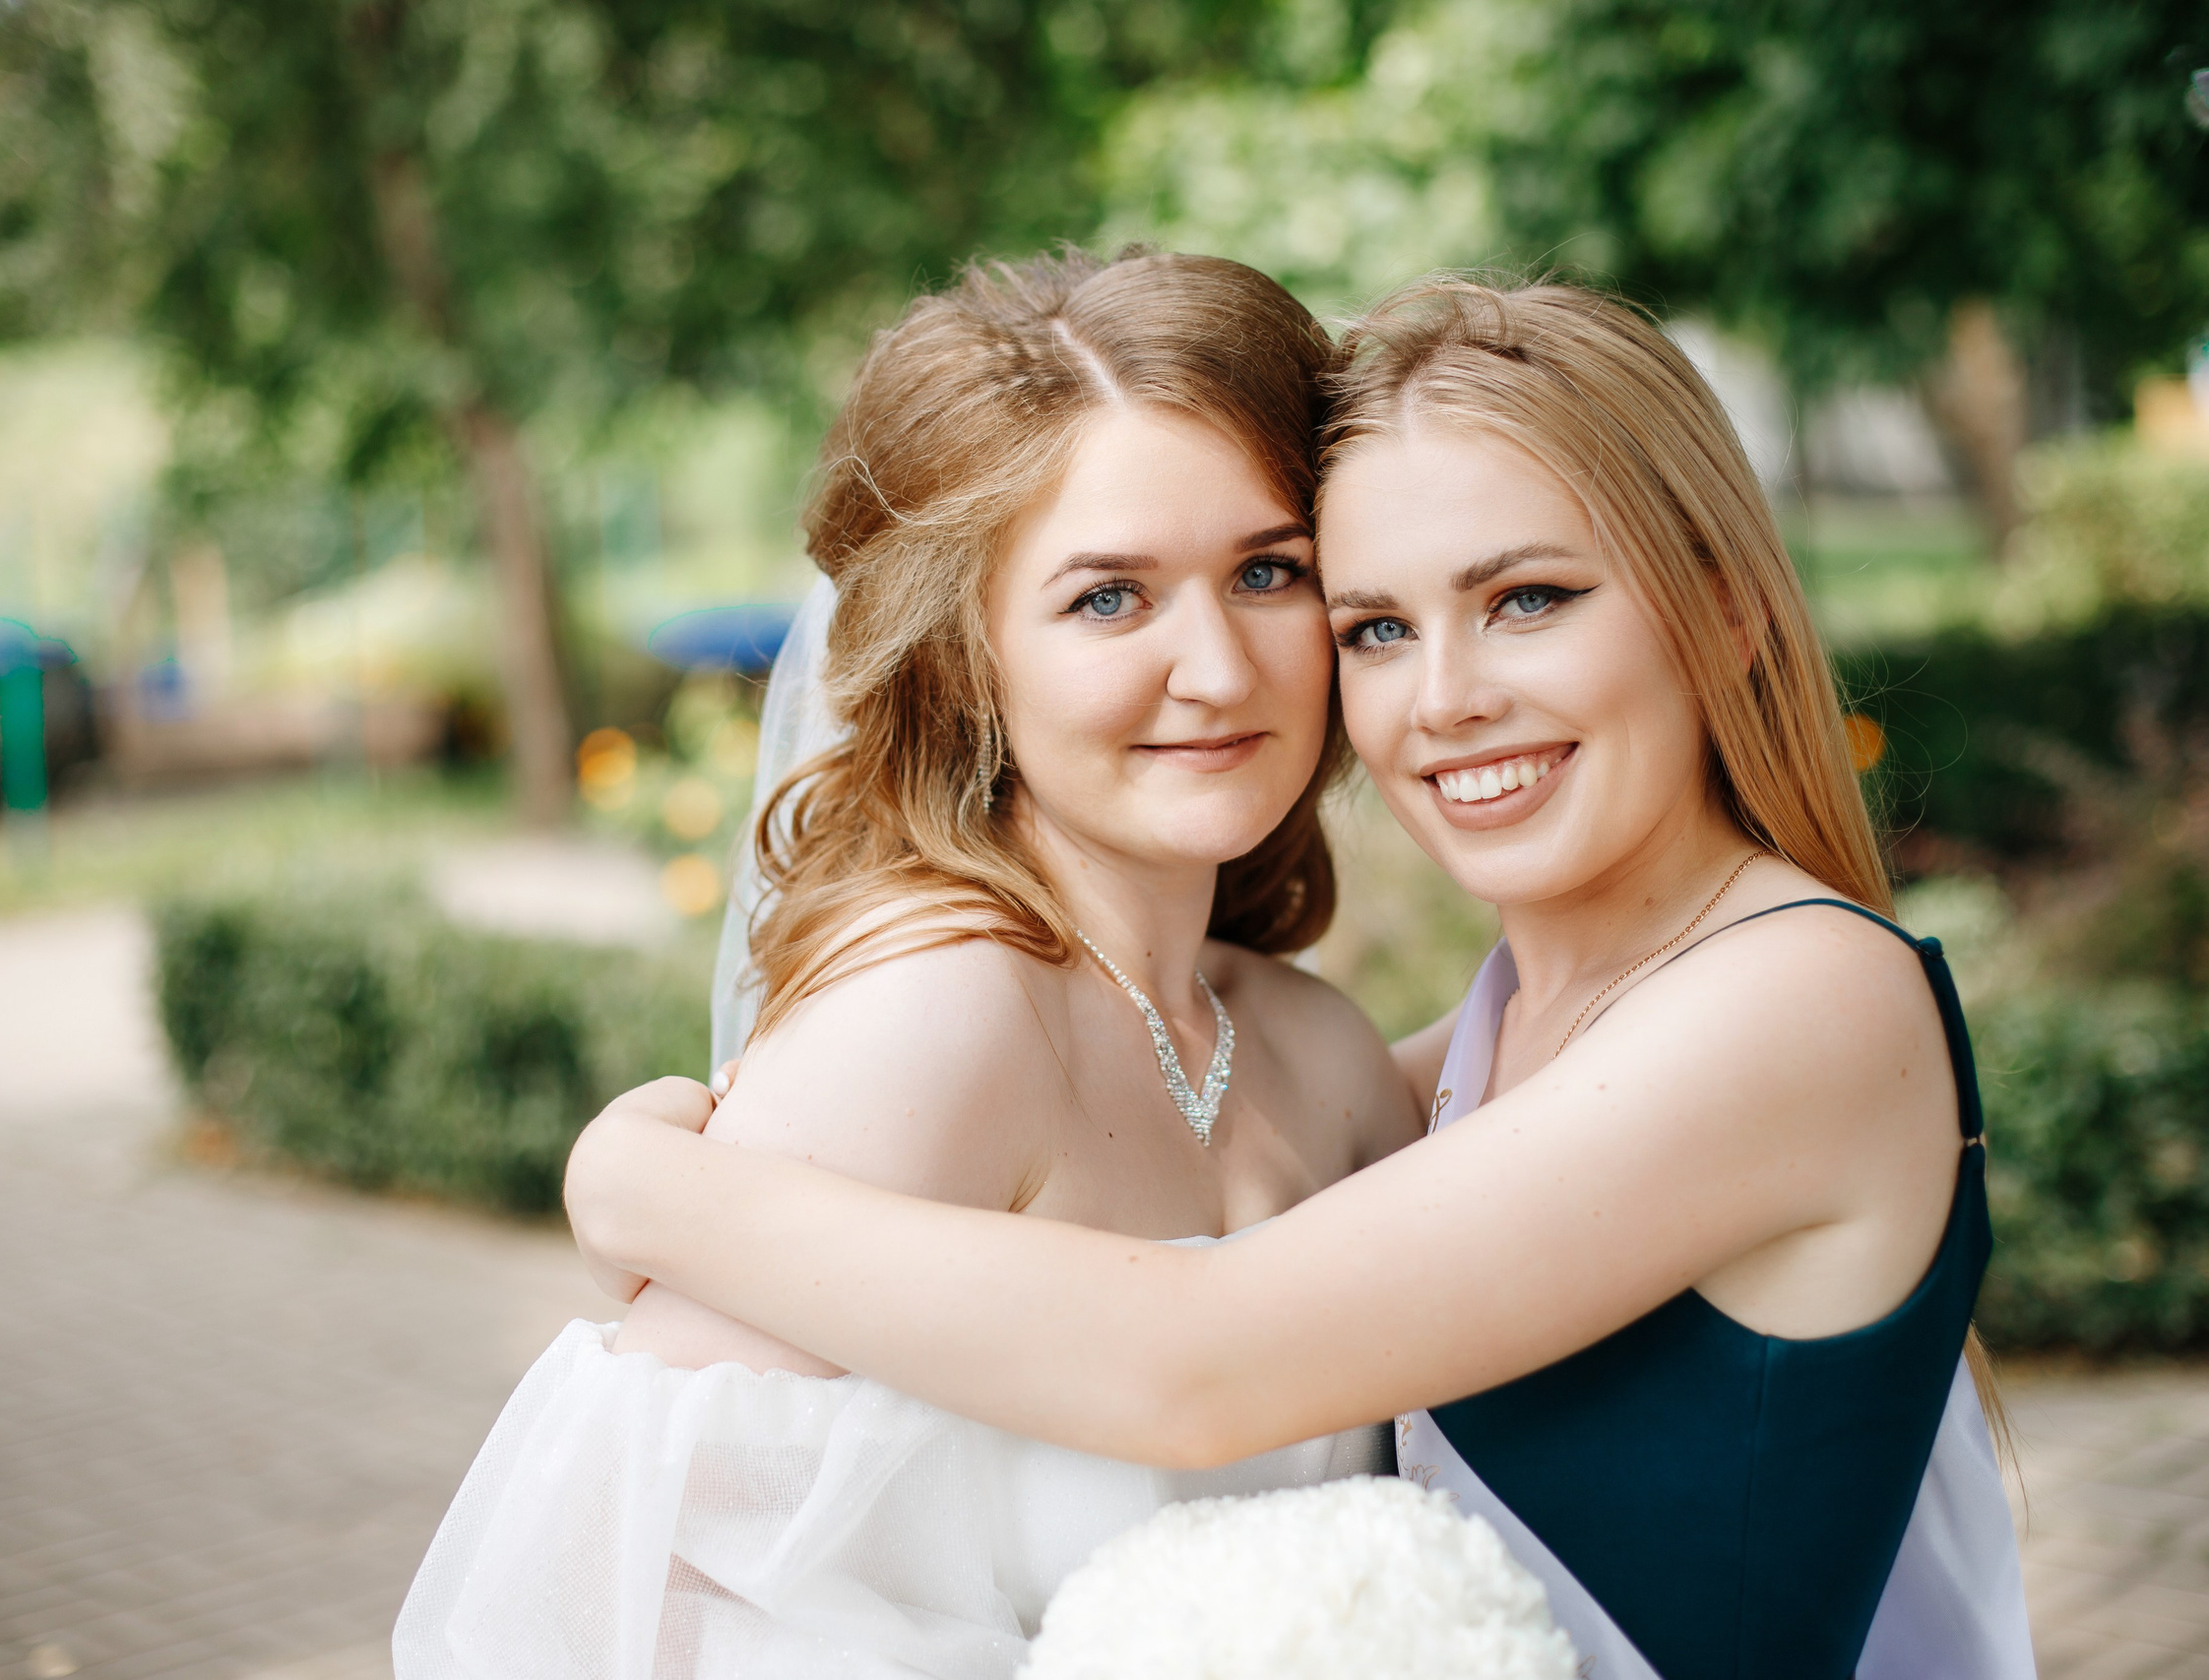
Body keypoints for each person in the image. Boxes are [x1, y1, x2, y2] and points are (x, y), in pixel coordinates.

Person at [565, 279, 2036, 1679]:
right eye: (1375, 627)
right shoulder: (1483, 1038)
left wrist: (647, 1190)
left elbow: (1195, 1359)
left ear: (1725, 610)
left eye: (1528, 599)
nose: (1447, 699)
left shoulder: (1803, 1005)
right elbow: (1194, 1135)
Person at [392, 249, 1424, 1680]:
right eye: (1109, 600)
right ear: (969, 657)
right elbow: (617, 1611)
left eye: (1266, 571)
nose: (1221, 667)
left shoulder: (1316, 1047)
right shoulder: (938, 1019)